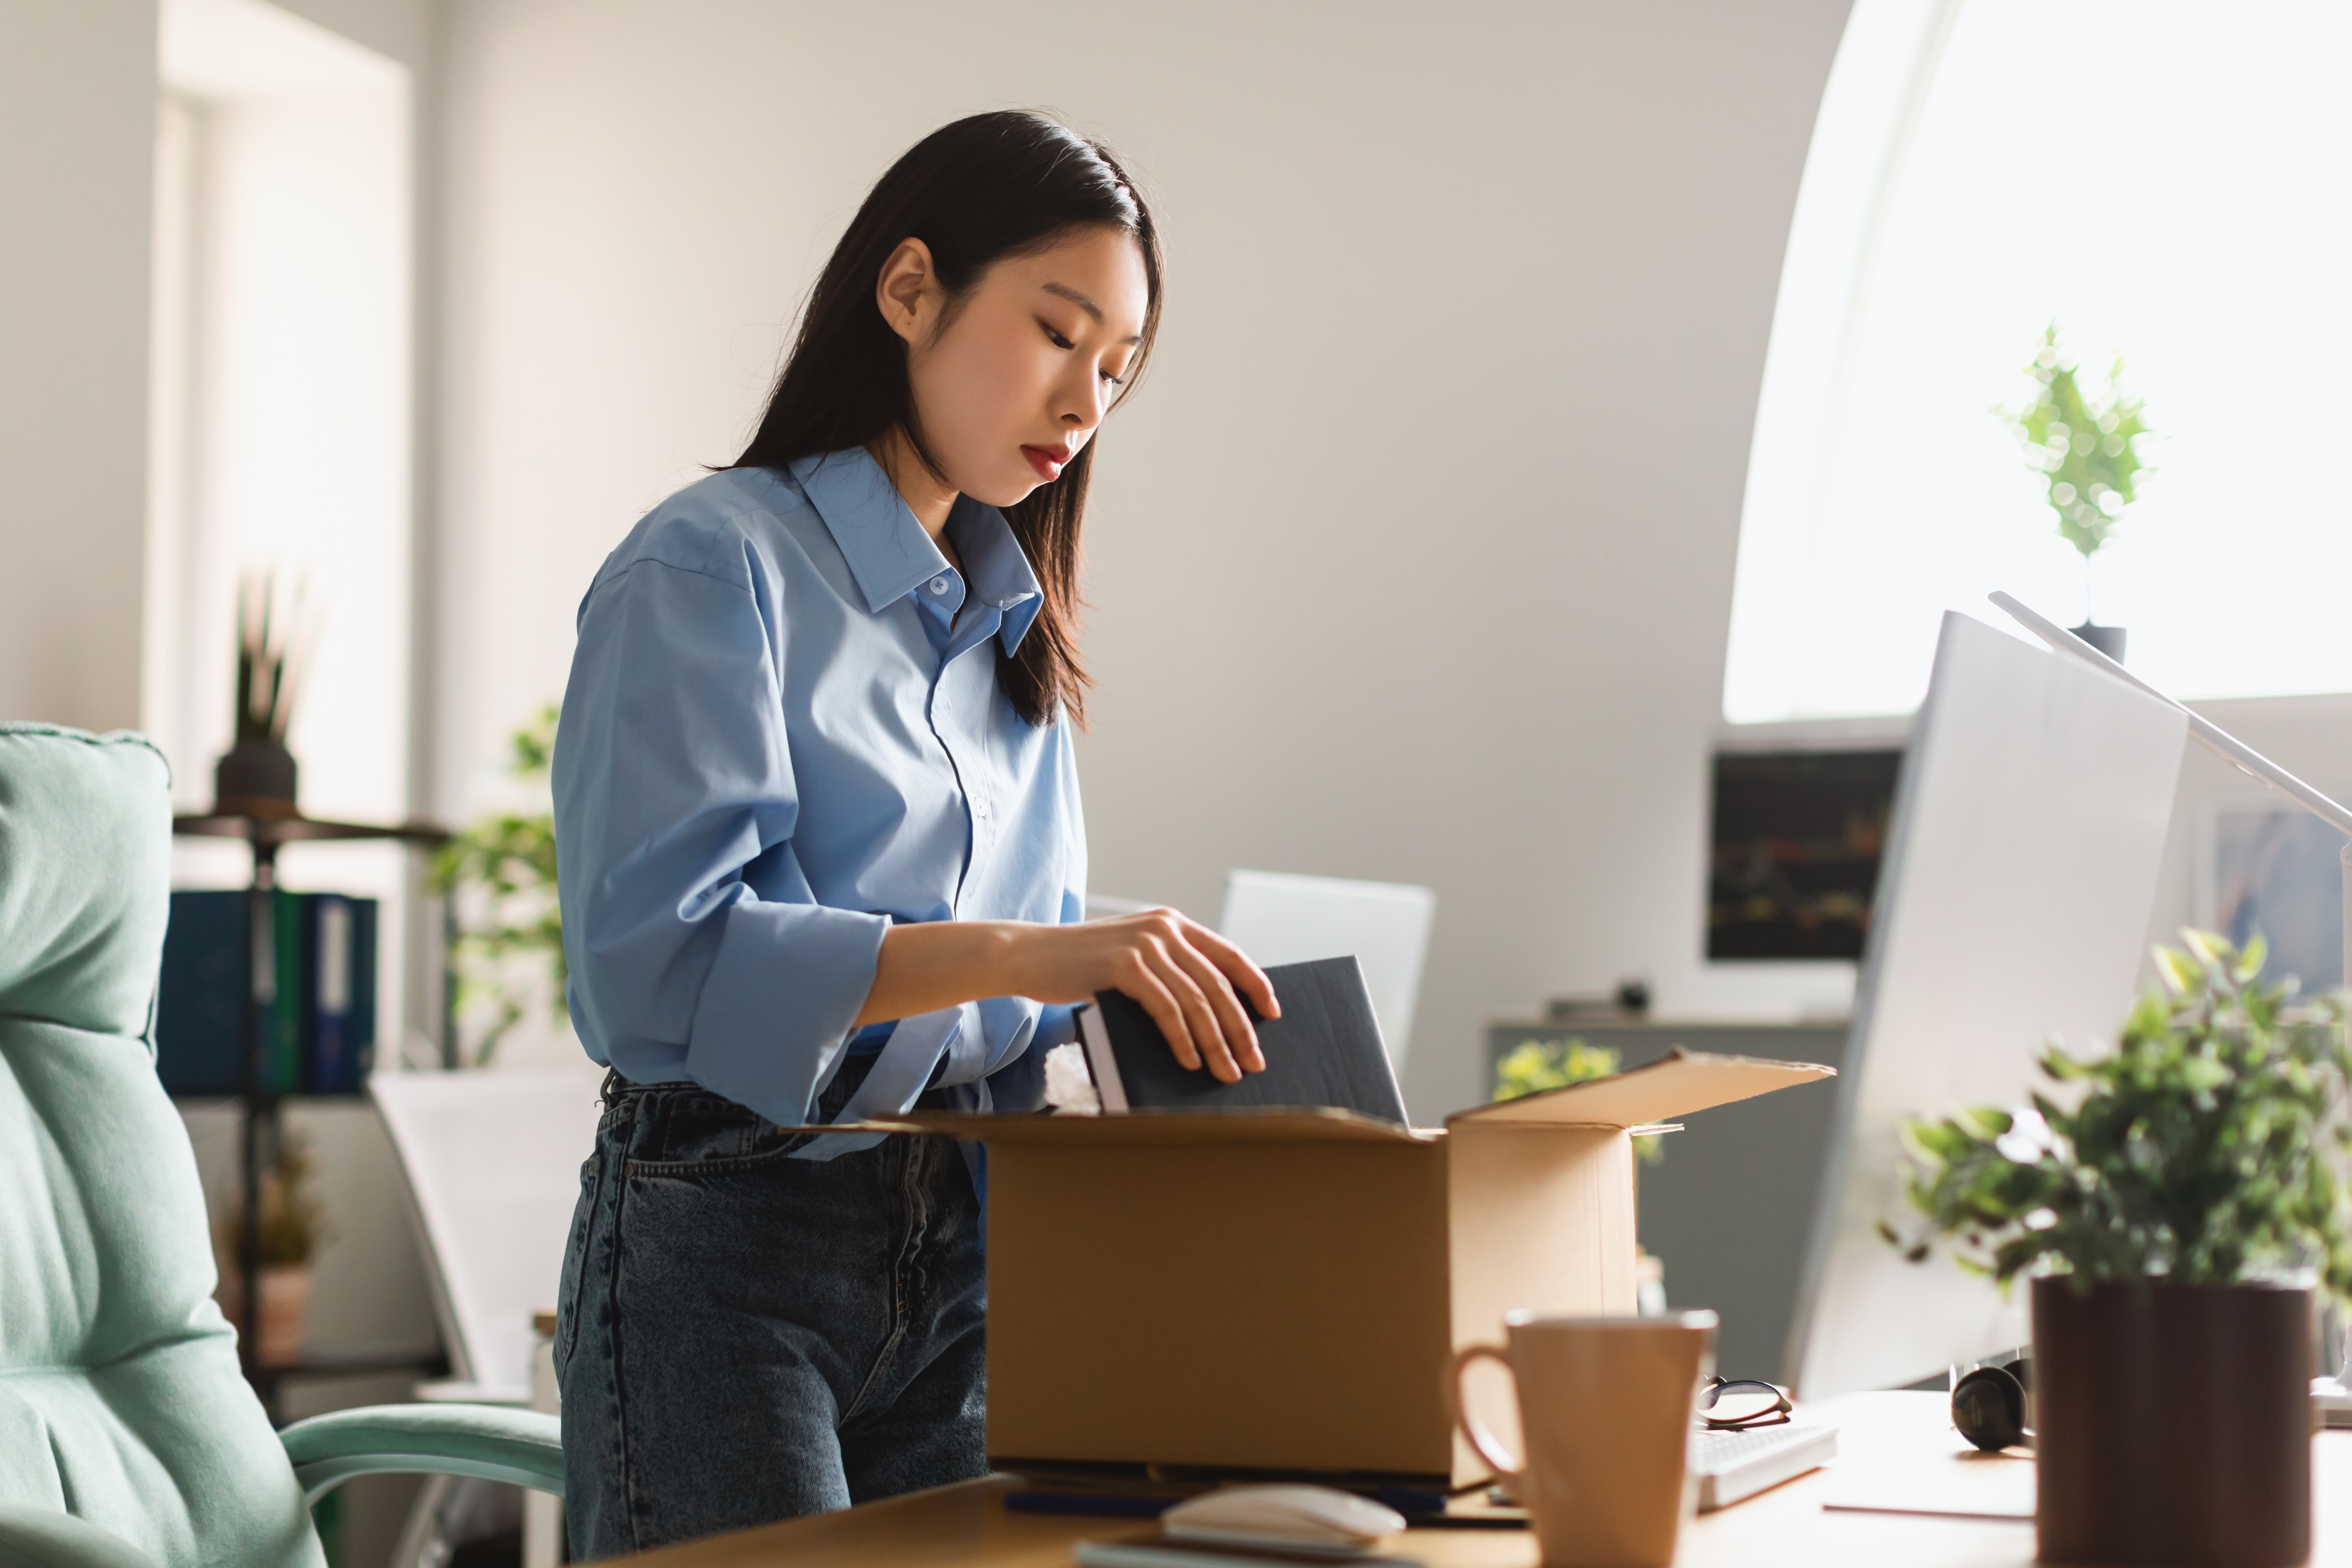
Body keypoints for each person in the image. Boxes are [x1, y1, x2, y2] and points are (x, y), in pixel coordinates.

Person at [547, 110, 1279, 1558]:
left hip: (962, 1252)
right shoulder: (711, 566)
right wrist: (1044, 947)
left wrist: (1143, 987)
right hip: (734, 1243)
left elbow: (1009, 988)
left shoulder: (1018, 638)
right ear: (910, 292)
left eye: (1119, 372)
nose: (1086, 403)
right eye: (1059, 333)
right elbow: (655, 969)